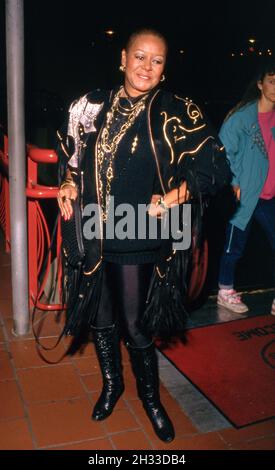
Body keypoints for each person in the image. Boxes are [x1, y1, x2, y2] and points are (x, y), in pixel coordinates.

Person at [56, 28, 231, 443]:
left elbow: (216, 170)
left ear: (164, 70)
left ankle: (151, 399)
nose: (146, 67)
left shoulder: (177, 110)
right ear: (122, 58)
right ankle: (112, 385)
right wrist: (66, 182)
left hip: (140, 232)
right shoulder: (90, 105)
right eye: (139, 57)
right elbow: (73, 158)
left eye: (156, 61)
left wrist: (174, 196)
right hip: (96, 227)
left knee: (134, 325)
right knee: (99, 318)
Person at [217, 61, 275, 315]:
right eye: (272, 80)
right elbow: (223, 153)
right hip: (245, 195)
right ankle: (225, 290)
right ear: (260, 84)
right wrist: (234, 183)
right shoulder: (242, 118)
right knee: (234, 246)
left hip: (271, 195)